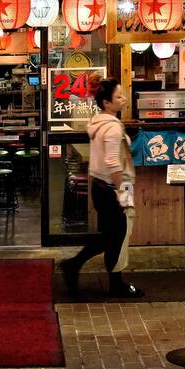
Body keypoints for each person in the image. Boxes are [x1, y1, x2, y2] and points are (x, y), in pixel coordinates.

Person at [60, 77, 145, 298]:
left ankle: (111, 281)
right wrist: (124, 195)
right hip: (111, 188)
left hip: (100, 186)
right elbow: (113, 163)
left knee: (111, 236)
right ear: (107, 103)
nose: (123, 98)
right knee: (113, 237)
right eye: (118, 96)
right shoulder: (113, 128)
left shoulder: (98, 122)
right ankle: (74, 265)